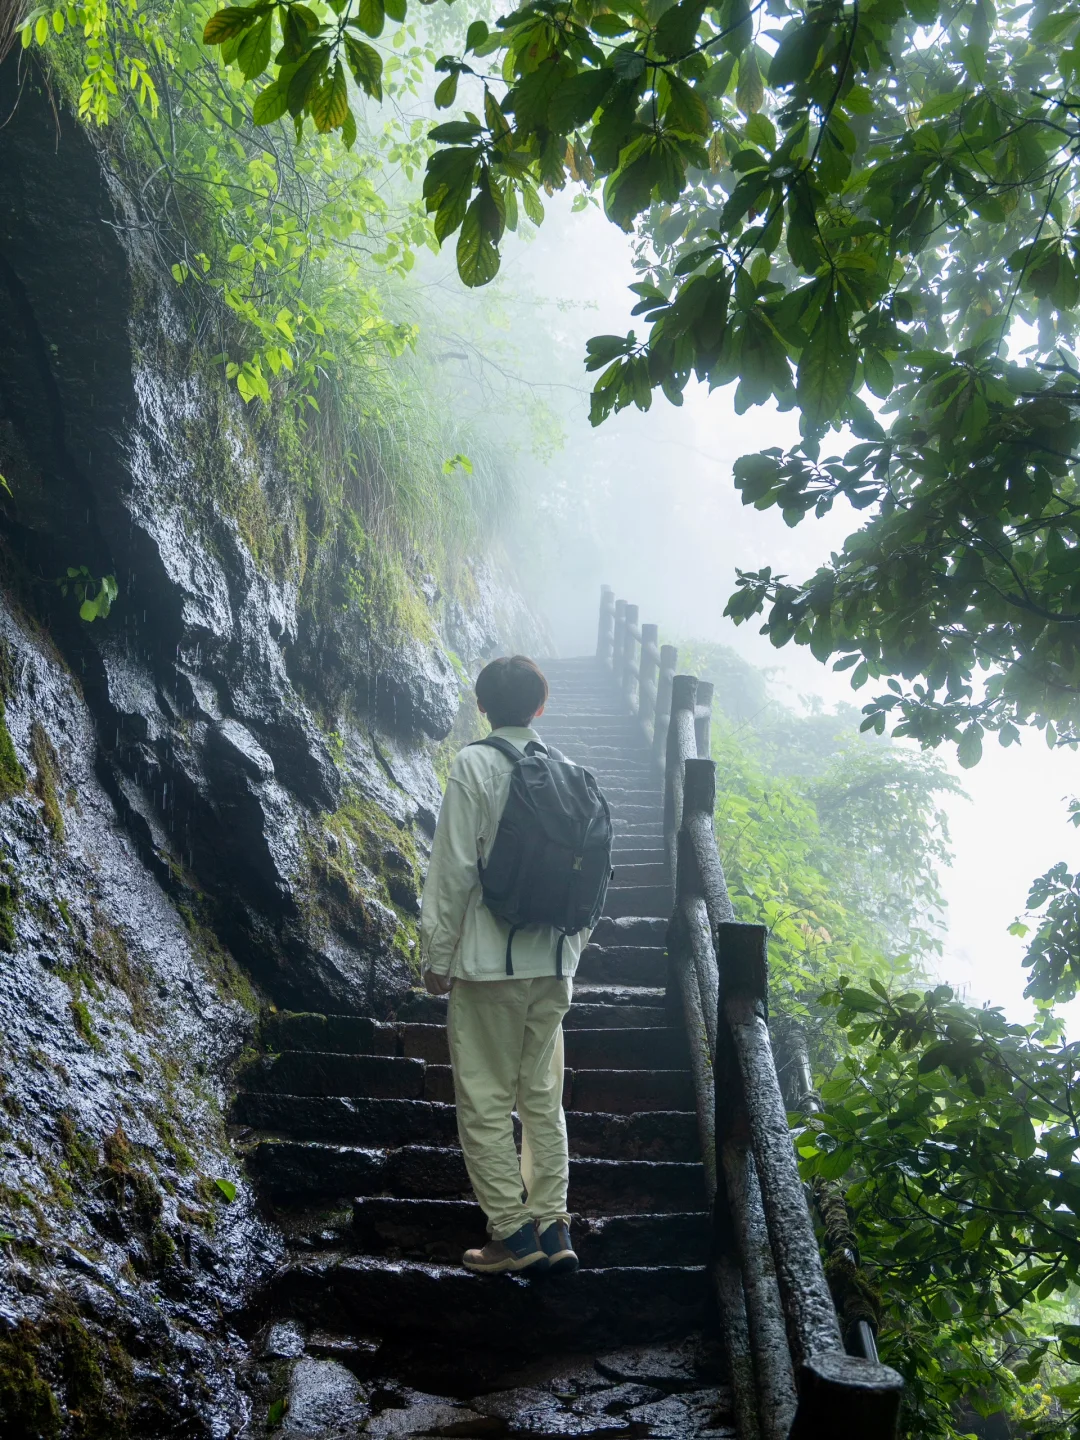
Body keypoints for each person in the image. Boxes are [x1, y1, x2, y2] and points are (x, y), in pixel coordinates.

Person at [420, 655, 591, 1276]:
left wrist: (437, 956)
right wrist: (567, 955)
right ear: (540, 708)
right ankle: (555, 1226)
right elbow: (592, 882)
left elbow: (454, 870)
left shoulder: (474, 765)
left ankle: (512, 1238)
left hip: (490, 968)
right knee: (543, 1099)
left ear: (482, 706)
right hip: (553, 967)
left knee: (487, 1102)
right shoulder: (572, 775)